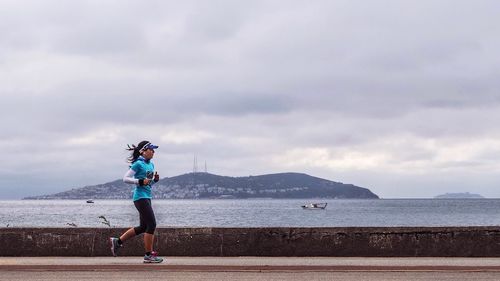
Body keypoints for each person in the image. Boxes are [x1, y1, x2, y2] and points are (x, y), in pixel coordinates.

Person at [110, 140, 163, 263]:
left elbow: (147, 183)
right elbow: (125, 178)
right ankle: (148, 255)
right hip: (140, 197)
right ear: (143, 151)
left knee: (143, 227)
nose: (153, 152)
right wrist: (138, 182)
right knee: (152, 224)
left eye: (154, 150)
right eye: (151, 149)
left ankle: (117, 242)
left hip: (147, 197)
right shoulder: (138, 164)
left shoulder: (151, 165)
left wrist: (154, 180)